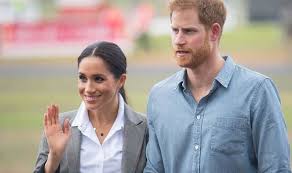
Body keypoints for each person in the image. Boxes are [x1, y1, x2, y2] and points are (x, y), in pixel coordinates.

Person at [144, 0, 291, 172]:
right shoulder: (159, 97)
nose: (178, 40)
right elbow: (154, 169)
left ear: (214, 32)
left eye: (189, 31)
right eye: (174, 30)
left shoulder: (257, 91)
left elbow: (276, 168)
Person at [34, 41, 148, 173]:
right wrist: (54, 156)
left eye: (98, 79)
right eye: (83, 78)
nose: (88, 89)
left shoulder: (145, 129)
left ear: (121, 81)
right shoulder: (58, 127)